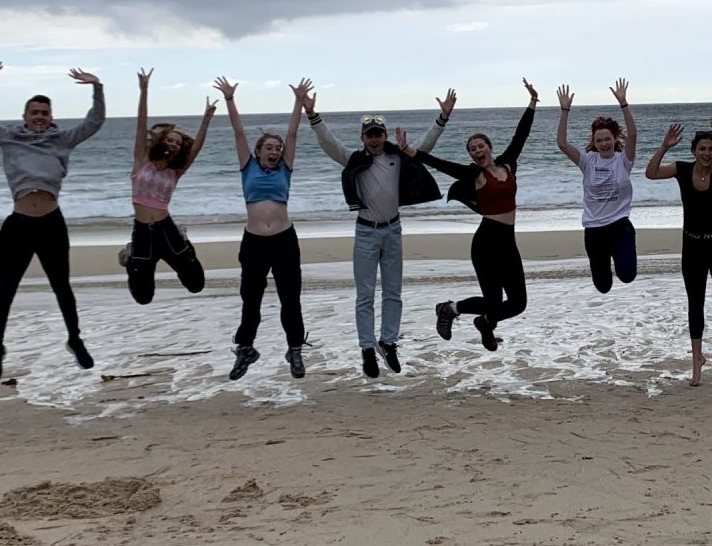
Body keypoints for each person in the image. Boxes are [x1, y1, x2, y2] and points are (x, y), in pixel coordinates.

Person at [0, 60, 106, 381]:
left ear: (51, 116)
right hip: (18, 225)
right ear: (25, 116)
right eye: (34, 112)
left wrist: (97, 87)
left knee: (62, 287)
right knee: (5, 290)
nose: (39, 116)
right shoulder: (8, 138)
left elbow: (95, 121)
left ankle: (75, 340)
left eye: (44, 112)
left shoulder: (63, 140)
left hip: (51, 223)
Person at [305, 86, 456, 377]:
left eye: (378, 134)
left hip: (393, 231)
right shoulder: (353, 159)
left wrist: (443, 118)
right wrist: (312, 115)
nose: (374, 139)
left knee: (393, 292)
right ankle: (367, 349)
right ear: (362, 138)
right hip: (366, 233)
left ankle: (388, 343)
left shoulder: (398, 156)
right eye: (369, 135)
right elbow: (329, 143)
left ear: (385, 136)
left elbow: (425, 146)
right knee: (365, 295)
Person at [416, 81, 539, 351]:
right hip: (486, 245)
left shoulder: (508, 163)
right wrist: (410, 152)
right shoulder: (474, 174)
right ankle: (449, 309)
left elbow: (521, 136)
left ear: (489, 147)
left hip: (508, 243)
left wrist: (532, 102)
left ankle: (485, 323)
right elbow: (440, 164)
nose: (477, 151)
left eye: (480, 146)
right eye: (472, 149)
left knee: (518, 303)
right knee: (493, 300)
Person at [219, 77, 309, 382]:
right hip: (254, 242)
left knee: (290, 298)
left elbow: (293, 133)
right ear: (258, 151)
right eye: (269, 147)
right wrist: (230, 99)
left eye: (278, 148)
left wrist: (299, 101)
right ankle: (245, 349)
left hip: (284, 240)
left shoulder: (285, 168)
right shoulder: (248, 166)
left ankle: (295, 349)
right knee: (251, 299)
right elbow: (238, 132)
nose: (275, 150)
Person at [645, 114, 712, 387]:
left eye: (711, 149)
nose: (707, 153)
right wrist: (664, 146)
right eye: (702, 149)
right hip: (692, 246)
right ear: (694, 151)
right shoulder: (682, 169)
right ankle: (697, 359)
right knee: (695, 304)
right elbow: (651, 173)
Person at [123, 68, 217, 305]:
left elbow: (196, 148)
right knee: (143, 297)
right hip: (142, 232)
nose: (173, 144)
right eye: (170, 140)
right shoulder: (142, 161)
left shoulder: (176, 171)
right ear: (161, 140)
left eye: (178, 143)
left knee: (196, 285)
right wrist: (144, 89)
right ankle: (131, 258)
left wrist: (206, 119)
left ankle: (185, 245)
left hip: (167, 229)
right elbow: (141, 124)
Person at [557, 78, 639, 293]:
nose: (604, 143)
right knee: (603, 286)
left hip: (620, 226)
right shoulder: (587, 161)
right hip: (594, 230)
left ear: (614, 139)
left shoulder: (624, 160)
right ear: (594, 142)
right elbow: (562, 143)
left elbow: (632, 135)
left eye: (607, 139)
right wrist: (565, 111)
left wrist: (624, 103)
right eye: (599, 140)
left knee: (627, 275)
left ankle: (621, 255)